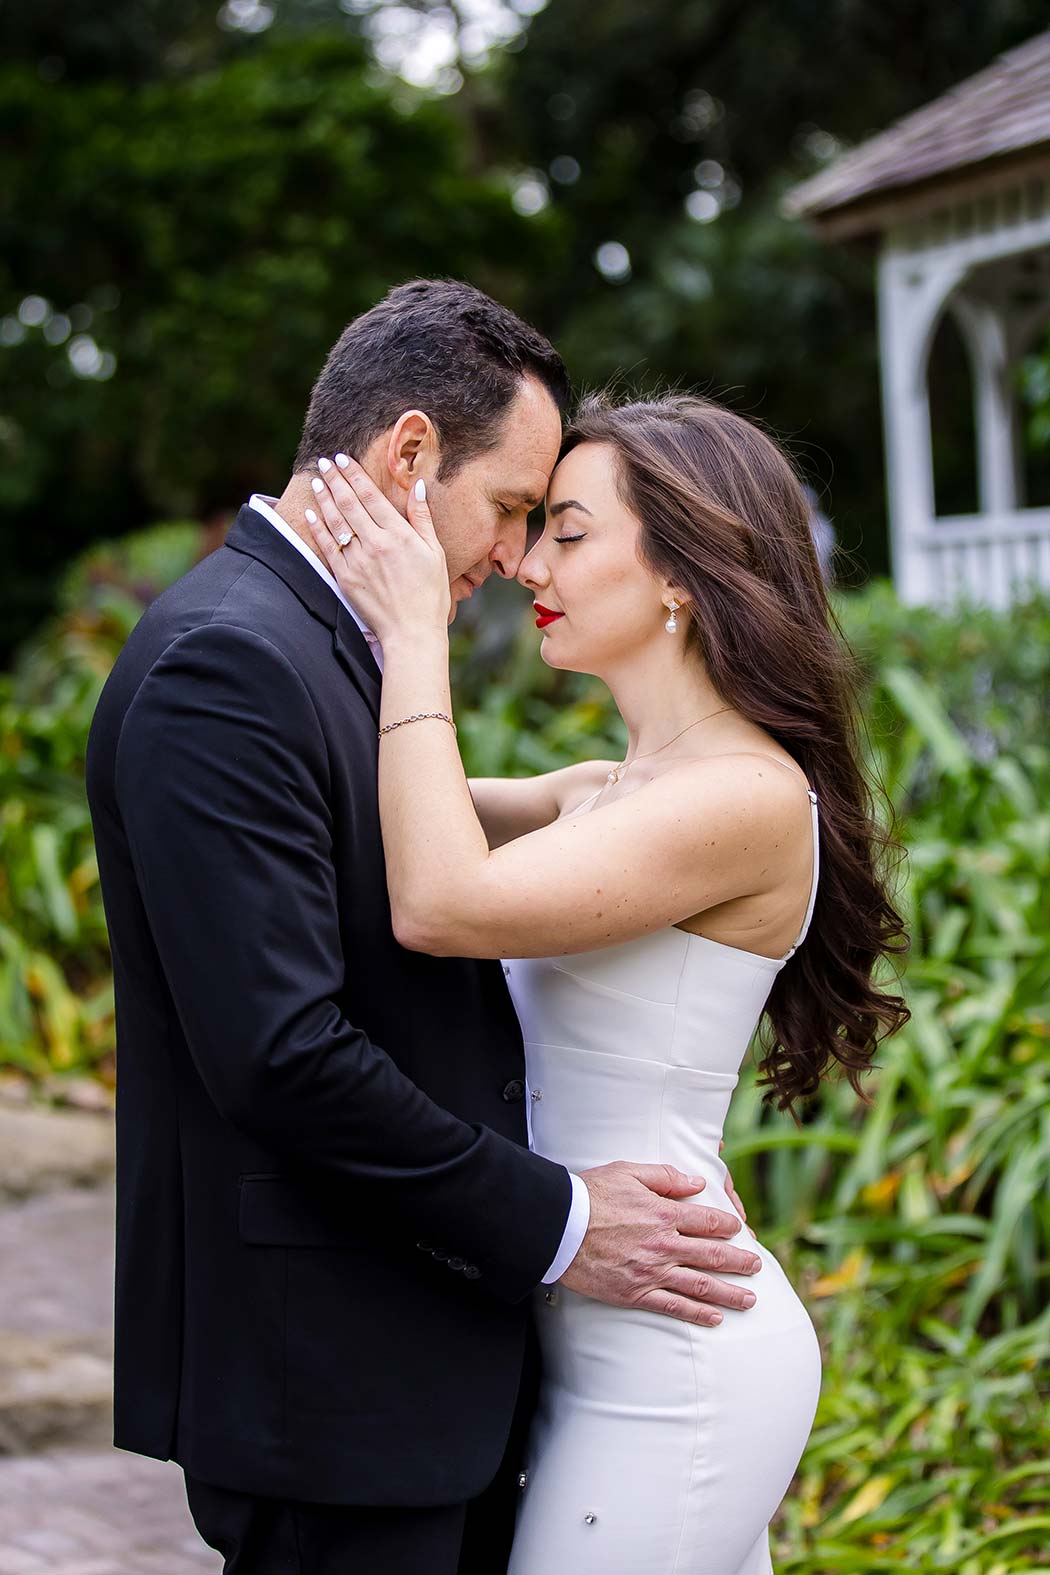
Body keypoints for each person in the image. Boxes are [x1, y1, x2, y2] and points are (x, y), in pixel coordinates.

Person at [84, 281, 762, 1575]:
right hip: (331, 1380)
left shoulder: (331, 655)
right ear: (408, 454)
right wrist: (562, 1220)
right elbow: (283, 1053)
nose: (514, 557)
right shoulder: (225, 663)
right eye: (511, 507)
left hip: (422, 1376)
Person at [305, 388, 910, 1574]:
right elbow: (357, 812)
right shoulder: (603, 790)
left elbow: (441, 900)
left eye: (569, 531)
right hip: (584, 1336)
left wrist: (416, 630)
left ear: (684, 571)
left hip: (675, 1363)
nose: (531, 559)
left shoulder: (745, 798)